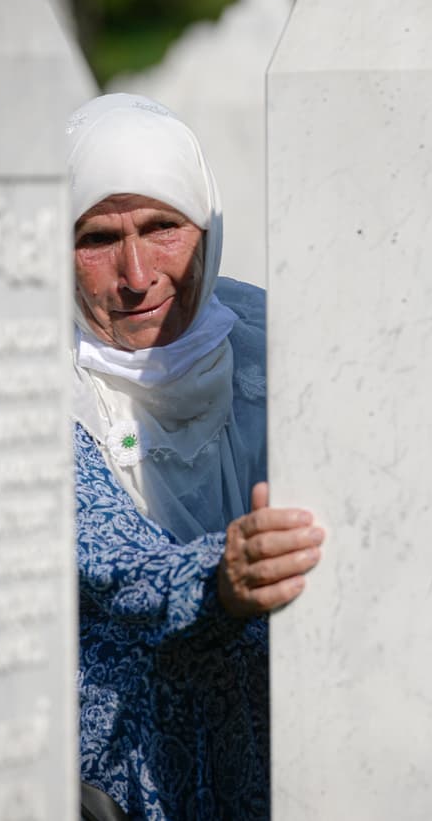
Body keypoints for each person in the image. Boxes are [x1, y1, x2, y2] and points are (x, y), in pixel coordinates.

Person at [67, 93, 325, 820]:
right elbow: (116, 566)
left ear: (207, 232)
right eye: (96, 239)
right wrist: (222, 579)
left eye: (162, 228)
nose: (135, 272)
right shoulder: (38, 389)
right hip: (120, 777)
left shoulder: (274, 343)